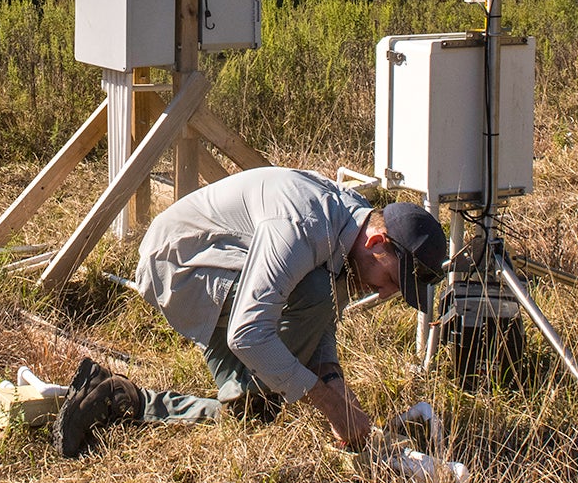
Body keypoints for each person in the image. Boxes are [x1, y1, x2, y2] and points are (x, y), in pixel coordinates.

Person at [58, 166, 449, 458]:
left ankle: (124, 399)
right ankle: (253, 391)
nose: (386, 294)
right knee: (306, 305)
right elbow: (247, 333)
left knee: (250, 412)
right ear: (378, 241)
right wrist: (325, 400)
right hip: (182, 267)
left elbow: (323, 320)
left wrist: (333, 379)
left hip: (229, 269)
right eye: (392, 280)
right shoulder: (302, 227)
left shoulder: (353, 227)